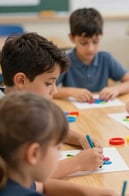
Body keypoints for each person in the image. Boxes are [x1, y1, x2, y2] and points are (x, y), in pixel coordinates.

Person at [0, 92, 129, 196]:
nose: (59, 154)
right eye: (57, 148)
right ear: (34, 153)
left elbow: (42, 188)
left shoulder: (10, 179)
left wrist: (87, 192)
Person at [0, 32, 104, 178]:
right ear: (21, 81)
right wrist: (77, 163)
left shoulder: (20, 104)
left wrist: (79, 138)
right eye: (48, 83)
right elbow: (23, 178)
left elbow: (45, 129)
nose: (54, 90)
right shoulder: (6, 118)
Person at [54, 7, 129, 102]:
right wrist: (71, 92)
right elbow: (47, 89)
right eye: (83, 42)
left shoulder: (106, 58)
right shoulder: (65, 61)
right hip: (75, 111)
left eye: (95, 42)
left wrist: (116, 89)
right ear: (72, 38)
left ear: (101, 36)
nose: (90, 48)